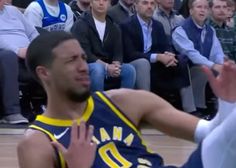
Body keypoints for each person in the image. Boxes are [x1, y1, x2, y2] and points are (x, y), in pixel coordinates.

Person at [17, 31, 236, 168]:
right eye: (71, 60)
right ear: (44, 73)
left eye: (83, 58)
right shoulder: (37, 142)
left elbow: (209, 135)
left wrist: (227, 105)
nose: (83, 67)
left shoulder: (123, 101)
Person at [172, 0, 225, 115]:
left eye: (206, 7)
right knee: (203, 69)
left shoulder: (211, 30)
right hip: (185, 70)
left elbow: (217, 53)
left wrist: (221, 66)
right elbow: (192, 54)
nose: (203, 10)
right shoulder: (180, 30)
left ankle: (221, 110)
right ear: (191, 11)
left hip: (206, 66)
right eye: (199, 7)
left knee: (227, 71)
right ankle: (198, 108)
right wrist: (214, 66)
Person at [71, 0, 136, 91]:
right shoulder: (81, 24)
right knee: (98, 69)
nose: (101, 3)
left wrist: (116, 65)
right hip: (87, 65)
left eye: (105, 0)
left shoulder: (114, 26)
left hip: (107, 66)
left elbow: (118, 52)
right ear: (91, 2)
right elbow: (86, 54)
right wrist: (106, 67)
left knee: (129, 70)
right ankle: (98, 102)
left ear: (109, 3)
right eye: (97, 0)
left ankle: (122, 101)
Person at [0, 1, 39, 124]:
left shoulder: (13, 11)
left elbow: (33, 33)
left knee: (53, 55)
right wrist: (18, 51)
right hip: (6, 54)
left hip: (28, 52)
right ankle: (12, 112)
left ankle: (50, 108)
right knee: (8, 56)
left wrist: (39, 47)